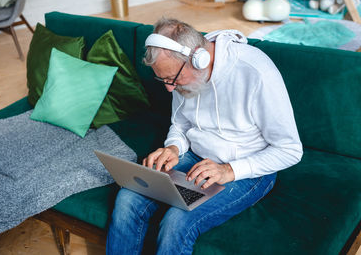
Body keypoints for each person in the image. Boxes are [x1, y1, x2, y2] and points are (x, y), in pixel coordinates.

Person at [106, 18, 303, 255]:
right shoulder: (180, 76)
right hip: (196, 158)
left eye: (173, 79)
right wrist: (173, 148)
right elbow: (180, 123)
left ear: (199, 59)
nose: (169, 88)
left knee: (177, 221)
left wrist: (228, 170)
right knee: (128, 197)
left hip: (249, 169)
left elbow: (290, 150)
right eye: (163, 80)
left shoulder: (256, 72)